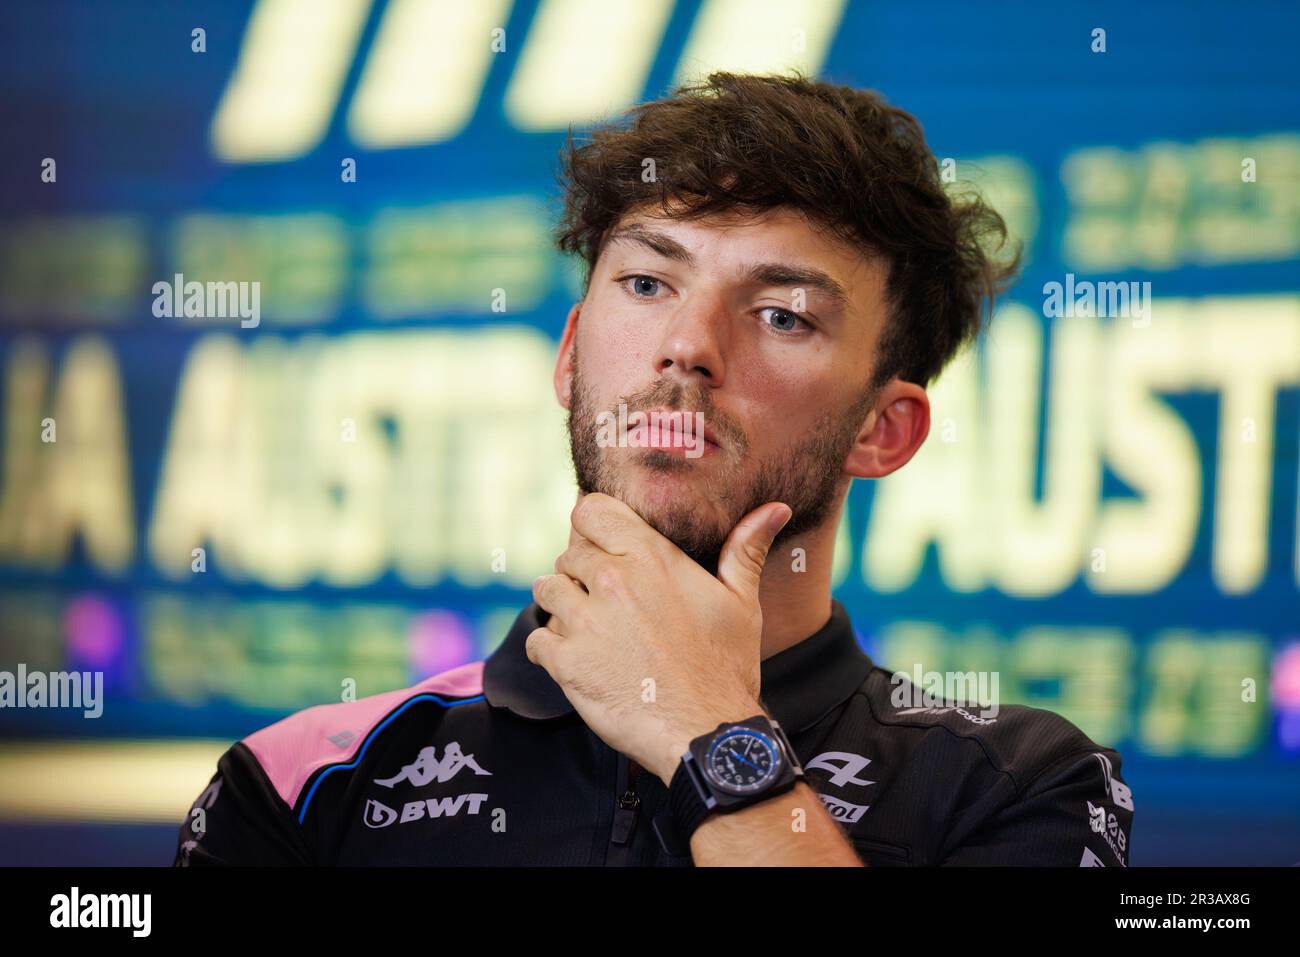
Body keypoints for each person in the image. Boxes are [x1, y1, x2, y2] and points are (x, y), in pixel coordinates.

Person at [173, 71, 1134, 867]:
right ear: (571, 354)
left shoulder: (1020, 782)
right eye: (646, 282)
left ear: (883, 430)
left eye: (782, 313)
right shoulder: (305, 783)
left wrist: (708, 728)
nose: (687, 346)